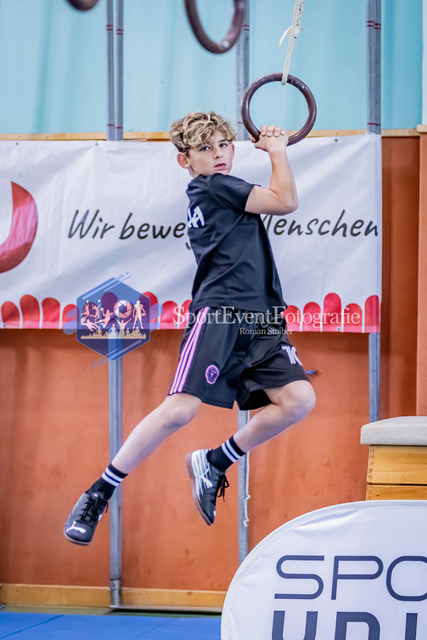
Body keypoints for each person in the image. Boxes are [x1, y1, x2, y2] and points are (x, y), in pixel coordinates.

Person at [64, 112, 316, 545]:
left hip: (262, 319)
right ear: (185, 160)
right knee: (180, 410)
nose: (218, 155)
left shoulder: (218, 189)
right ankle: (99, 492)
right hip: (220, 314)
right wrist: (277, 150)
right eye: (204, 148)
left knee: (297, 400)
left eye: (224, 145)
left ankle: (215, 461)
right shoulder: (215, 186)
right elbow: (284, 200)